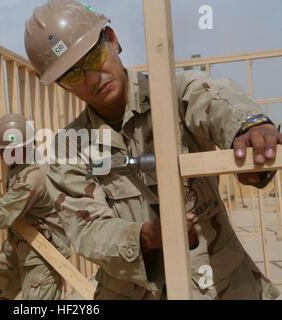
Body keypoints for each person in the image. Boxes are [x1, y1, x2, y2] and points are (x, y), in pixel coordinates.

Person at [24, 0, 281, 300]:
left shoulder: (172, 94)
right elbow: (86, 232)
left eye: (93, 57)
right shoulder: (68, 148)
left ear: (112, 40)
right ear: (63, 87)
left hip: (219, 283)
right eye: (73, 75)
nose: (93, 78)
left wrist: (249, 126)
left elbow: (211, 99)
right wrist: (145, 236)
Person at [0, 113, 71, 300]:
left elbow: (2, 215)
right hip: (18, 244)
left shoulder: (33, 177)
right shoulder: (19, 163)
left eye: (2, 150)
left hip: (42, 255)